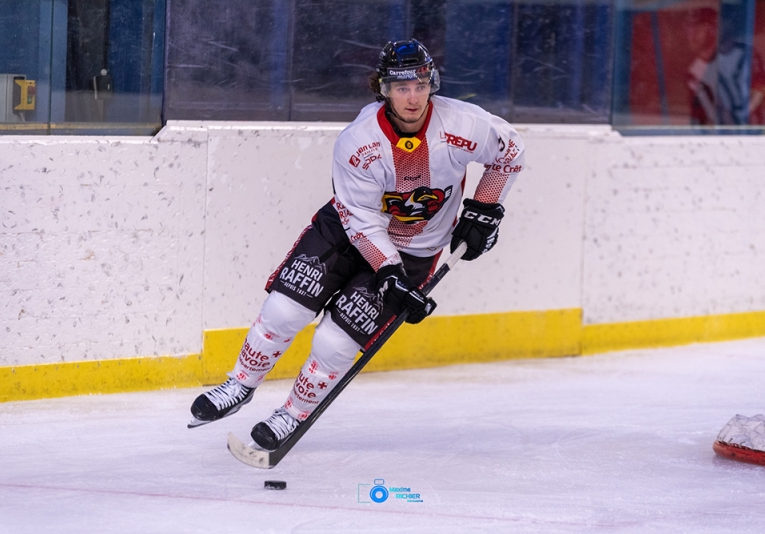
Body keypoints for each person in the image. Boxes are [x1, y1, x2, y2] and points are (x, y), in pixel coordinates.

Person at [188, 39, 525, 451]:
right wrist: (388, 271)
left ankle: (292, 414)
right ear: (383, 89)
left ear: (432, 84)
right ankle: (239, 385)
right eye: (402, 87)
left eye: (420, 85)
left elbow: (510, 152)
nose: (413, 98)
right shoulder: (358, 141)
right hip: (346, 232)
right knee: (283, 310)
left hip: (416, 250)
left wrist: (483, 209)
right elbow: (361, 220)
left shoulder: (464, 125)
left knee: (334, 343)